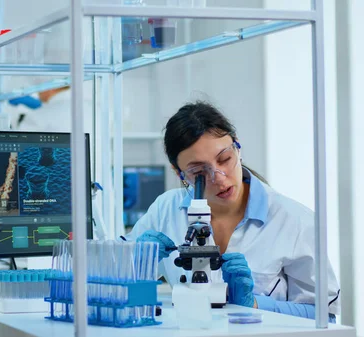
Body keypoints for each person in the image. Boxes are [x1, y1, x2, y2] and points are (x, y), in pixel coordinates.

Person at [123, 101, 340, 321]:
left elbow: (325, 316)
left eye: (225, 159)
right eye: (199, 171)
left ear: (238, 147)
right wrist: (137, 263)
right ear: (179, 173)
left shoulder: (293, 221)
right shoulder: (165, 210)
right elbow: (111, 280)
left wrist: (254, 304)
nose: (218, 178)